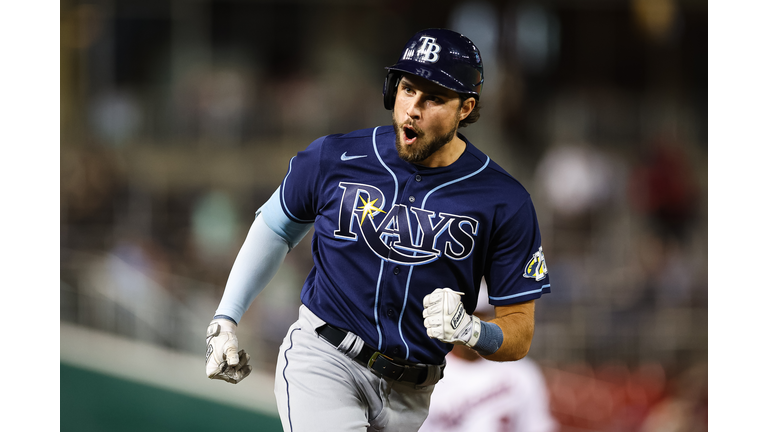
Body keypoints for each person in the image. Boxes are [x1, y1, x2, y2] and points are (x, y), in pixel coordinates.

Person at [204, 28, 551, 432]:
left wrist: (473, 331)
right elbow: (276, 227)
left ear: (465, 108)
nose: (412, 109)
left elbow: (520, 329)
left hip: (413, 394)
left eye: (433, 98)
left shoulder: (504, 199)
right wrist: (226, 318)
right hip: (325, 360)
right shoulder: (334, 156)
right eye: (407, 89)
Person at [420, 282, 559, 432]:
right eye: (467, 315)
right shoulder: (429, 374)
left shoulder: (520, 370)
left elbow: (536, 426)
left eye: (482, 314)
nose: (474, 322)